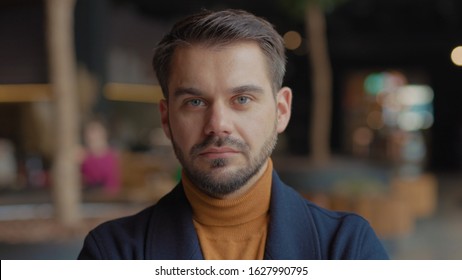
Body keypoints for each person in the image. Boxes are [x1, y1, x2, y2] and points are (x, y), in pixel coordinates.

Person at [78, 9, 389, 260]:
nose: (218, 124)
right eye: (195, 102)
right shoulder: (113, 254)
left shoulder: (347, 249)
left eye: (242, 99)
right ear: (166, 118)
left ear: (281, 111)